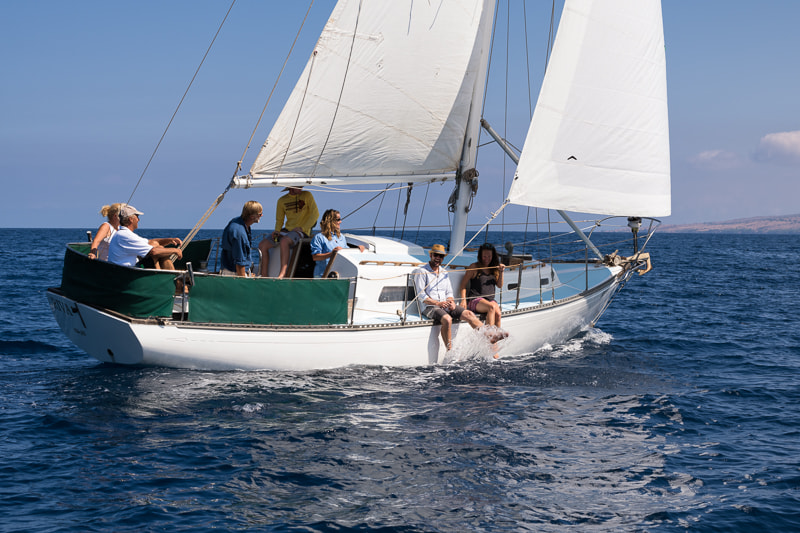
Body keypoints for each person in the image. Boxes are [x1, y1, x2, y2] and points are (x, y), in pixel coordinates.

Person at [413, 244, 484, 351]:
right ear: (431, 255)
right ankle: (449, 350)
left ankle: (487, 336)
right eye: (436, 255)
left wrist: (451, 301)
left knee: (469, 313)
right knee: (447, 319)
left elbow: (449, 292)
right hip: (429, 307)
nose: (438, 258)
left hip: (445, 305)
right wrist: (438, 303)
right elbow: (421, 295)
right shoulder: (422, 272)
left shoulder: (444, 272)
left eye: (441, 256)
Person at [259, 186, 319, 278]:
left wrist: (303, 228)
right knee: (262, 245)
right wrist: (277, 231)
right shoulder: (282, 200)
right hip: (287, 230)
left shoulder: (307, 195)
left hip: (302, 231)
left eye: (301, 186)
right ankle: (264, 275)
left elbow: (315, 214)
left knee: (284, 241)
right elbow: (279, 220)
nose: (301, 188)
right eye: (298, 186)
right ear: (291, 187)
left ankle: (283, 274)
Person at [107, 205, 183, 269]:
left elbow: (151, 242)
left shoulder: (123, 233)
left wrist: (169, 240)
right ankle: (173, 282)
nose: (139, 220)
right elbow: (153, 252)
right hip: (126, 272)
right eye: (137, 216)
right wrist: (176, 250)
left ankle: (169, 279)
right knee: (159, 251)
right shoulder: (125, 235)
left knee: (159, 249)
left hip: (125, 270)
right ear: (131, 219)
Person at [459, 243, 505, 327]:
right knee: (491, 307)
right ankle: (489, 336)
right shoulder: (474, 267)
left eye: (489, 256)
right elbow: (463, 285)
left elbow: (499, 285)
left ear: (493, 256)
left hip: (490, 300)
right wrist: (463, 300)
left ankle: (495, 338)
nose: (486, 259)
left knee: (498, 314)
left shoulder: (494, 268)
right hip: (475, 299)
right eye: (484, 256)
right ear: (480, 256)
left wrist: (501, 272)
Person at [310, 209, 365, 277]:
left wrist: (357, 249)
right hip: (322, 276)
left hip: (338, 275)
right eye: (338, 219)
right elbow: (315, 257)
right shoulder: (319, 237)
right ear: (330, 221)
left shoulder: (341, 237)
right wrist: (332, 254)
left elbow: (346, 252)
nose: (340, 221)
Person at [220, 201, 262, 277]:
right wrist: (244, 280)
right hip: (235, 273)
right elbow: (239, 263)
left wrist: (248, 274)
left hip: (230, 269)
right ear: (252, 216)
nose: (262, 215)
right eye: (260, 214)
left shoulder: (237, 221)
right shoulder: (240, 233)